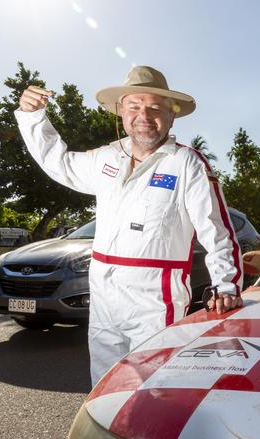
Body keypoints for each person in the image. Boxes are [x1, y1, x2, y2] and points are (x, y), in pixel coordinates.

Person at [16, 66, 244, 385]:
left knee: (152, 391)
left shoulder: (186, 163)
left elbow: (216, 230)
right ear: (121, 111)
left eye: (154, 107)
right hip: (104, 295)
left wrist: (226, 284)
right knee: (105, 386)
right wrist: (32, 117)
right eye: (134, 106)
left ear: (172, 115)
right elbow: (60, 163)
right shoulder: (106, 157)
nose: (143, 115)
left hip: (154, 299)